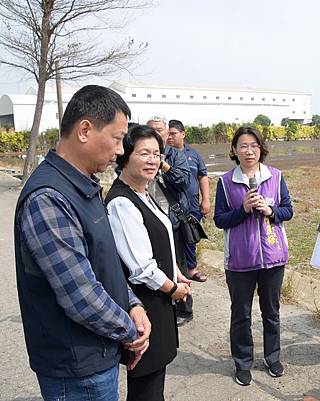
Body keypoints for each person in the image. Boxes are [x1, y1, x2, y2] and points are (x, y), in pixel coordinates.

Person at [14, 85, 151, 401]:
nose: (120, 150)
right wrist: (132, 334)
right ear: (85, 130)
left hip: (98, 354)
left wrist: (133, 304)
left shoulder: (84, 186)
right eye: (117, 139)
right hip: (76, 369)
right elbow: (81, 296)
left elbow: (105, 263)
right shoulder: (49, 198)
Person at [105, 125, 192, 401]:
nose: (153, 160)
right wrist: (173, 288)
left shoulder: (143, 192)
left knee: (156, 382)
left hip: (159, 301)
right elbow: (142, 267)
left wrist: (176, 272)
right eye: (144, 153)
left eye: (157, 153)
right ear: (125, 157)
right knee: (146, 387)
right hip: (147, 304)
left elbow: (159, 241)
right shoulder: (121, 202)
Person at [214, 126, 293, 386]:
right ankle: (243, 363)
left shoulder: (276, 176)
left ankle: (273, 357)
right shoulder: (226, 182)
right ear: (234, 150)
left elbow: (288, 211)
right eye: (243, 146)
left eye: (254, 146)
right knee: (241, 314)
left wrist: (271, 211)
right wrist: (244, 210)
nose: (249, 151)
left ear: (261, 149)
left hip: (273, 258)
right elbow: (219, 220)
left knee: (271, 312)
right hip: (239, 262)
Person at [146, 116, 194, 327]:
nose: (156, 134)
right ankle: (161, 306)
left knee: (178, 265)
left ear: (167, 133)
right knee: (154, 263)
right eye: (151, 130)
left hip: (173, 219)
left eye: (160, 130)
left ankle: (184, 307)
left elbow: (184, 182)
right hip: (148, 217)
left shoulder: (175, 155)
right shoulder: (140, 154)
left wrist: (163, 165)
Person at [168, 119, 210, 283]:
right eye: (168, 134)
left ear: (183, 134)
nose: (170, 137)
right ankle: (175, 270)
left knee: (190, 235)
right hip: (172, 203)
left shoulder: (193, 155)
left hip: (192, 204)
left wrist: (206, 200)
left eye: (173, 133)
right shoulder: (165, 155)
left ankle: (191, 269)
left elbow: (203, 176)